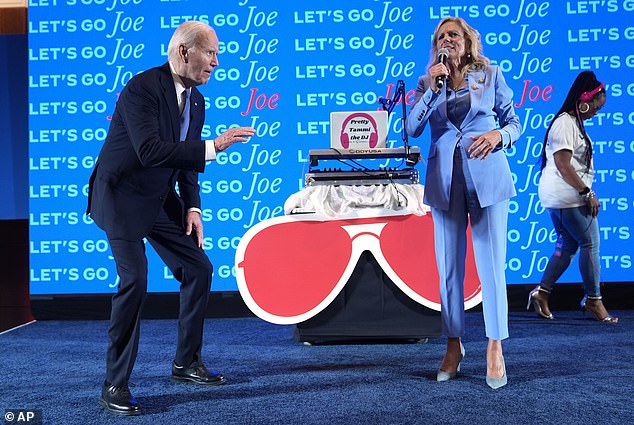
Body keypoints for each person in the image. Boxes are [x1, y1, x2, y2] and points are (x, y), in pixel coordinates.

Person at [87, 21, 256, 416]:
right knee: (136, 279)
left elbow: (185, 164)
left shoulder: (196, 100)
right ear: (184, 52)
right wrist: (213, 147)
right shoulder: (142, 88)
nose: (216, 61)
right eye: (210, 53)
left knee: (198, 268)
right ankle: (114, 384)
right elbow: (149, 150)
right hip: (121, 199)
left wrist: (193, 208)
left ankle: (185, 363)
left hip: (158, 200)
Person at [406, 17, 521, 389]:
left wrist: (497, 135)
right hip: (445, 180)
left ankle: (494, 345)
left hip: (487, 176)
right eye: (441, 36)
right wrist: (431, 88)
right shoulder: (429, 82)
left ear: (468, 41)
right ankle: (454, 344)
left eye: (454, 34)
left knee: (491, 266)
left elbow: (514, 123)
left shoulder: (489, 73)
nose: (448, 39)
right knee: (449, 269)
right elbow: (412, 129)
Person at [528, 71, 617, 323]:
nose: (596, 113)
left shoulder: (571, 123)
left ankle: (542, 292)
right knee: (591, 244)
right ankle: (593, 299)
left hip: (558, 196)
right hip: (568, 196)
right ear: (584, 100)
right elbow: (563, 163)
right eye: (596, 107)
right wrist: (586, 192)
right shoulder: (565, 123)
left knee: (567, 246)